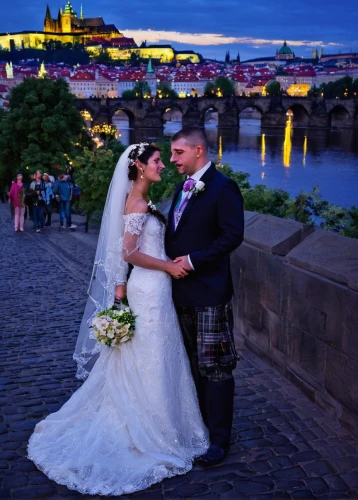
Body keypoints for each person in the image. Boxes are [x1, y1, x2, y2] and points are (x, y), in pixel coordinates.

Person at [28, 143, 209, 496]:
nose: (163, 165)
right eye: (157, 161)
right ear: (139, 166)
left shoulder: (143, 200)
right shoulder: (137, 203)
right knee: (150, 355)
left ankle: (166, 421)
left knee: (156, 354)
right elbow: (128, 253)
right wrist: (168, 266)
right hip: (150, 287)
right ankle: (153, 427)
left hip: (155, 289)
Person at [166, 127, 244, 466]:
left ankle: (220, 440)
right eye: (171, 153)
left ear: (198, 150)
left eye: (178, 153)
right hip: (181, 291)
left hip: (210, 291)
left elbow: (232, 236)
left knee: (215, 367)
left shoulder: (224, 188)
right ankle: (200, 427)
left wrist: (194, 261)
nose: (172, 159)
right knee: (193, 364)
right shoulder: (181, 186)